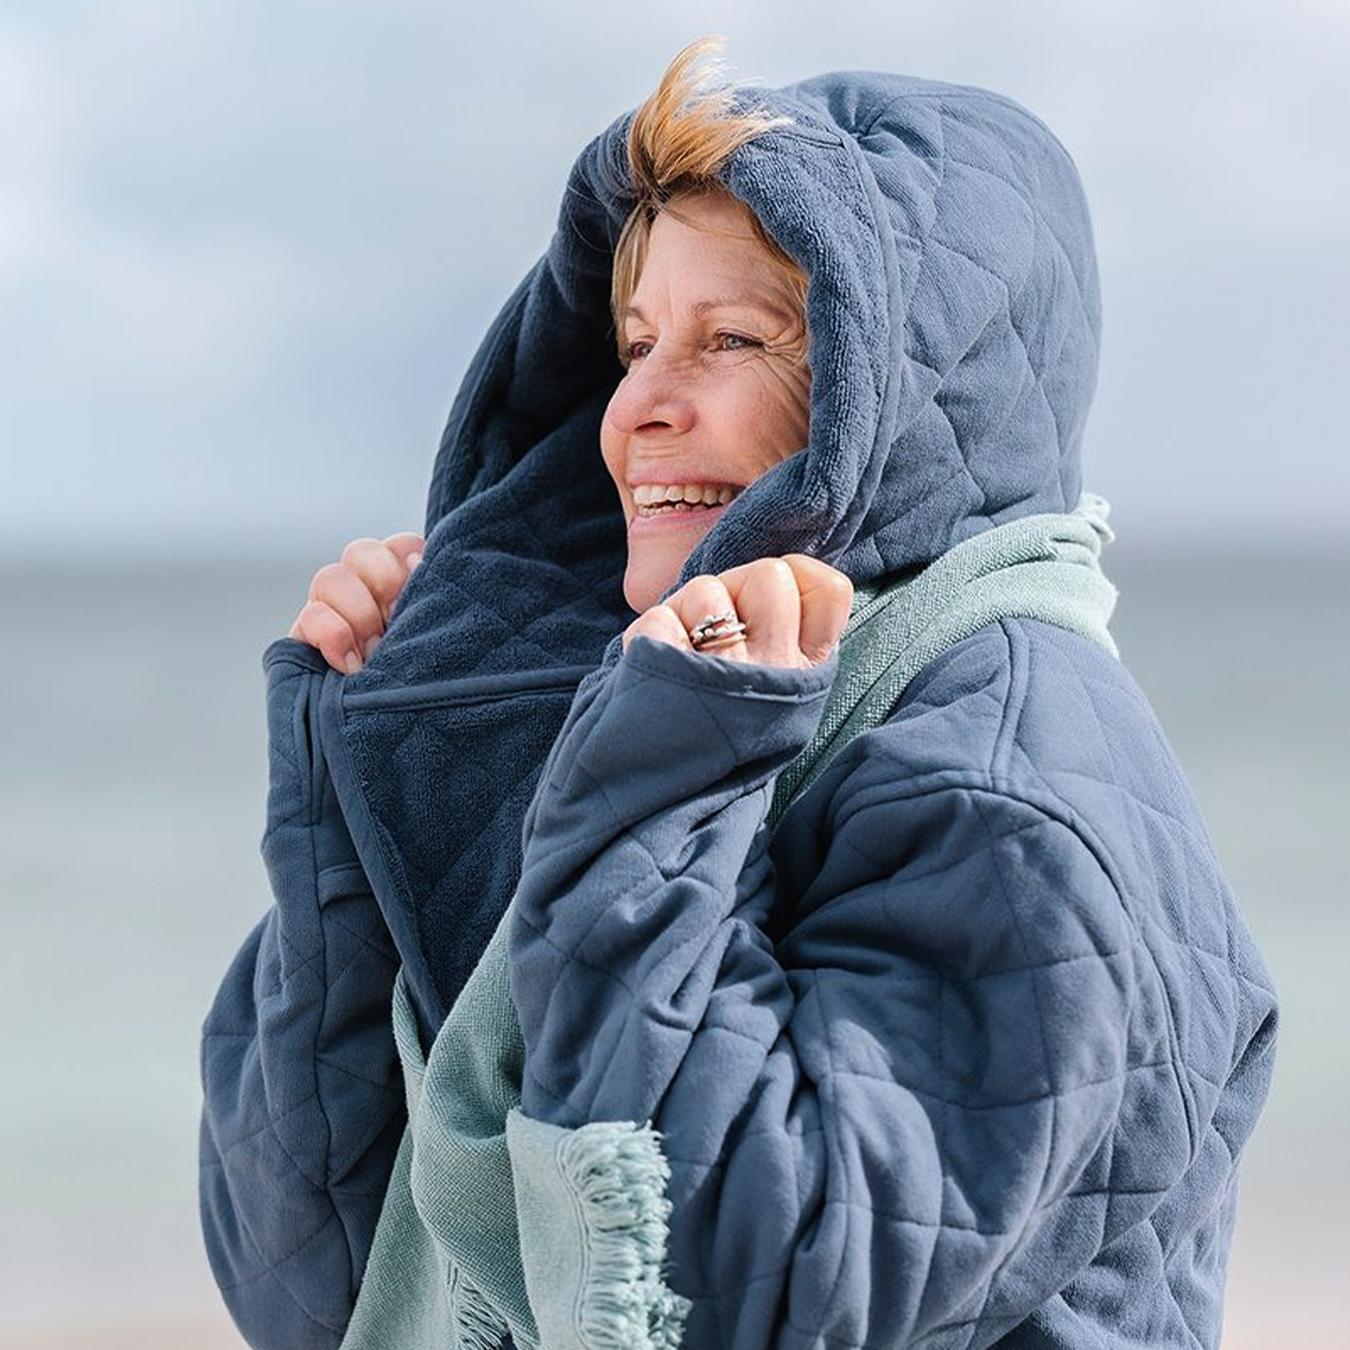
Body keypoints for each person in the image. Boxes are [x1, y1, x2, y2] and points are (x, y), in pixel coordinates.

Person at [198, 36, 1278, 1350]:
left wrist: (662, 783)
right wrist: (359, 795)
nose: (636, 406)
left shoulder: (1019, 770)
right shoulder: (650, 702)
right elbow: (306, 1286)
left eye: (731, 339)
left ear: (894, 379)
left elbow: (750, 1298)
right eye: (635, 340)